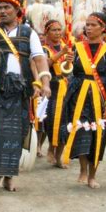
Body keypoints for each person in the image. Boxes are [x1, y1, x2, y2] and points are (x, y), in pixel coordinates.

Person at [0, 0, 51, 192]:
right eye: (0, 7)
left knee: (17, 134)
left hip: (20, 90)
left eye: (7, 7)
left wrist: (45, 83)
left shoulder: (27, 33)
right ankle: (0, 170)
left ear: (17, 10)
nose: (2, 11)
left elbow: (39, 59)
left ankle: (9, 175)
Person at [61, 12, 106, 189]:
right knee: (81, 133)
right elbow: (65, 73)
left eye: (93, 25)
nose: (89, 28)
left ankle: (93, 175)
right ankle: (83, 170)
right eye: (87, 24)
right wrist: (68, 63)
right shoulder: (76, 47)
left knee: (97, 135)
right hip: (78, 95)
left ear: (103, 29)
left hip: (99, 97)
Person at [42, 20, 72, 168]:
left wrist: (69, 59)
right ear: (47, 32)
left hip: (66, 88)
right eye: (54, 30)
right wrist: (61, 53)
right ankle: (50, 148)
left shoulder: (68, 47)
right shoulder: (44, 49)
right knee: (52, 121)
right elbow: (45, 64)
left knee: (65, 123)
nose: (58, 33)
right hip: (51, 88)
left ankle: (59, 155)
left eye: (60, 30)